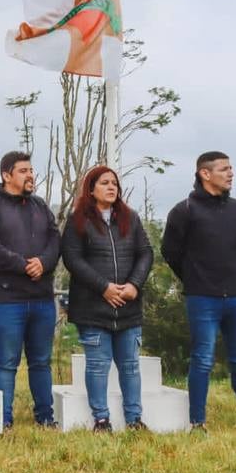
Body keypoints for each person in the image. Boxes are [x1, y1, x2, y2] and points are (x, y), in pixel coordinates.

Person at [161, 151, 236, 431]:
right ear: (205, 173)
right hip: (202, 298)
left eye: (231, 168)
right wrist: (193, 278)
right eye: (224, 169)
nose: (231, 174)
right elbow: (170, 251)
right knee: (202, 359)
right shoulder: (185, 210)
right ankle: (197, 422)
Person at [0, 150, 61, 429]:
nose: (30, 175)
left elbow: (55, 239)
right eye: (23, 171)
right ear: (6, 175)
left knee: (41, 362)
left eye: (31, 170)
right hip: (7, 299)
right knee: (6, 362)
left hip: (42, 299)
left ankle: (45, 417)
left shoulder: (40, 207)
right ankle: (2, 419)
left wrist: (44, 263)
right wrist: (23, 265)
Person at [62, 165, 154, 432]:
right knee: (98, 365)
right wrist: (104, 287)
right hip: (93, 308)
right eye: (104, 183)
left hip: (128, 306)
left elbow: (146, 253)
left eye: (114, 183)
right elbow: (72, 259)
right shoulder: (78, 220)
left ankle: (135, 419)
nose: (111, 187)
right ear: (91, 189)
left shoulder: (131, 218)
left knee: (130, 366)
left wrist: (134, 285)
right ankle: (101, 419)